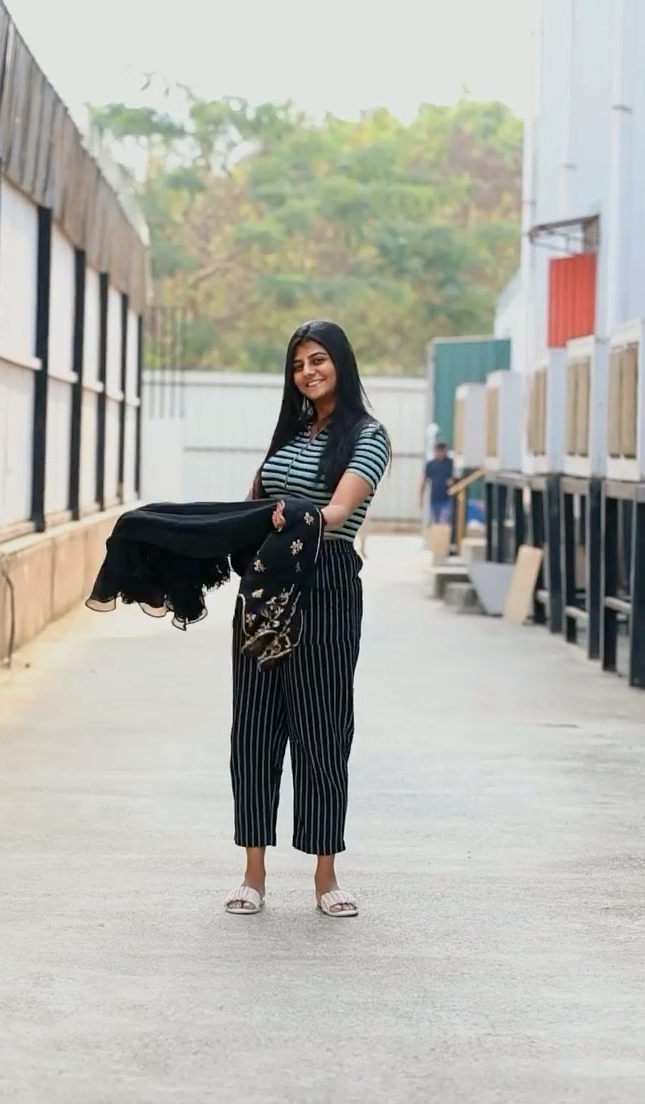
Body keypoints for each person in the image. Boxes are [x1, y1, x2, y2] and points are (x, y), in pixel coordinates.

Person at [226, 320, 391, 919]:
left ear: (341, 364)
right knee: (254, 732)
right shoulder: (289, 437)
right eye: (298, 365)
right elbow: (251, 508)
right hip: (264, 592)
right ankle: (253, 872)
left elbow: (340, 509)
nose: (308, 372)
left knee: (322, 730)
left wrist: (286, 513)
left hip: (325, 587)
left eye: (318, 360)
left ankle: (326, 874)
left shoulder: (367, 437)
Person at [420, 440, 454, 525]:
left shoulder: (450, 463)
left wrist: (451, 481)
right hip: (435, 498)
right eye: (439, 450)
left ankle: (444, 537)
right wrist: (421, 497)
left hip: (446, 498)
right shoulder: (431, 465)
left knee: (445, 521)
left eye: (443, 450)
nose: (441, 453)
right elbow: (424, 481)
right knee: (436, 521)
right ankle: (438, 536)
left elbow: (454, 478)